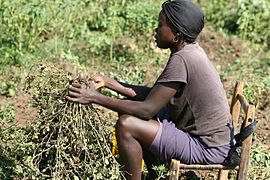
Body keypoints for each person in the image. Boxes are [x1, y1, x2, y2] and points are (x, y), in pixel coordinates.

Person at [66, 0, 234, 179]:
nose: (155, 30)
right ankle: (156, 175)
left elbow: (147, 110)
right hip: (213, 141)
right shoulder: (191, 51)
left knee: (127, 125)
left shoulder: (182, 60)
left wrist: (95, 97)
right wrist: (108, 83)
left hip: (208, 148)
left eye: (160, 25)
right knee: (129, 111)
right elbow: (154, 96)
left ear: (176, 34)